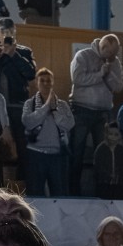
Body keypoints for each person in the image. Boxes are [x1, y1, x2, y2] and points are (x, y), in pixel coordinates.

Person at [69, 34, 123, 196]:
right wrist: (99, 74)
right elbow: (77, 79)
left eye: (114, 53)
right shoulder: (83, 55)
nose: (111, 56)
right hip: (82, 110)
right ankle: (73, 192)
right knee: (77, 152)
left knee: (103, 154)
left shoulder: (115, 62)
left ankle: (101, 192)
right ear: (103, 47)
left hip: (103, 113)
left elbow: (118, 87)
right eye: (109, 52)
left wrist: (108, 73)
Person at [21, 67, 73, 197]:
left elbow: (69, 124)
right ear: (37, 83)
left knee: (59, 193)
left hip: (57, 155)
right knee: (35, 194)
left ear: (52, 82)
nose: (45, 83)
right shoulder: (29, 104)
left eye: (48, 81)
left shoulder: (62, 105)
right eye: (42, 81)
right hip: (35, 154)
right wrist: (46, 107)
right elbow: (28, 122)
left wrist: (54, 110)